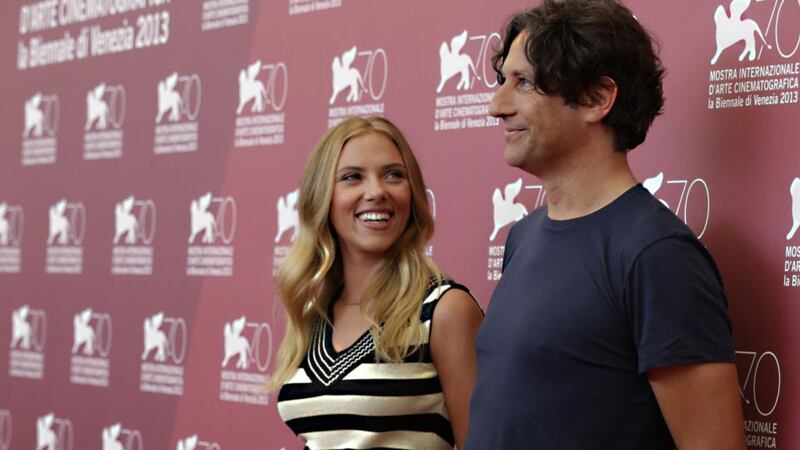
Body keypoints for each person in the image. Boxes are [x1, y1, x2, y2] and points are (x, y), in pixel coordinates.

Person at [465, 1, 746, 449]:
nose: (497, 105)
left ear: (597, 99)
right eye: (503, 81)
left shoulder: (657, 253)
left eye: (523, 84)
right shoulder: (522, 236)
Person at [272, 117, 483, 450]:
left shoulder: (445, 310)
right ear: (322, 197)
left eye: (394, 175)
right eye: (352, 177)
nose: (376, 192)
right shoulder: (313, 316)